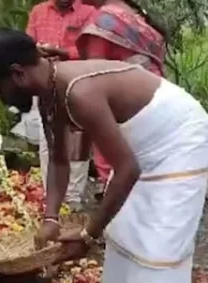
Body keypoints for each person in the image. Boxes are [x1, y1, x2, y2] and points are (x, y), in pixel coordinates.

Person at [0, 29, 208, 283]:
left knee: (160, 246)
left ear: (18, 74)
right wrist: (50, 219)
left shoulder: (79, 92)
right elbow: (58, 160)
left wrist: (88, 235)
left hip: (179, 138)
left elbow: (127, 170)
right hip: (140, 146)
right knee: (126, 232)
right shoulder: (48, 91)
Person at [73, 0, 167, 186]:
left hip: (124, 106)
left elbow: (94, 74)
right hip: (157, 99)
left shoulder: (103, 21)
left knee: (115, 165)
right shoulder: (132, 14)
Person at [25, 0, 96, 211]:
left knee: (79, 142)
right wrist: (36, 51)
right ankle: (51, 200)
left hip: (77, 86)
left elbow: (91, 50)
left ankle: (73, 202)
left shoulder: (88, 13)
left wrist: (62, 52)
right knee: (48, 142)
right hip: (45, 86)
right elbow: (27, 46)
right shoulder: (39, 12)